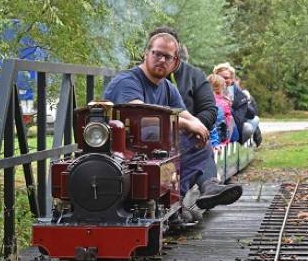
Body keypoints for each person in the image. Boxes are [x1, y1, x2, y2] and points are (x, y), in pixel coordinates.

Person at [103, 29, 242, 211]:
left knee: (197, 142)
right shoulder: (128, 81)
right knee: (185, 141)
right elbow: (140, 113)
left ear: (175, 62)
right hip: (125, 151)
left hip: (153, 148)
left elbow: (184, 113)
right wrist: (187, 125)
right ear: (146, 54)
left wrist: (199, 127)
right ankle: (177, 205)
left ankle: (203, 189)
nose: (161, 60)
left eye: (167, 57)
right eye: (157, 54)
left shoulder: (167, 86)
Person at [213, 63, 259, 144]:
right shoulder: (207, 90)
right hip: (213, 126)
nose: (222, 81)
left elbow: (238, 121)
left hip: (232, 129)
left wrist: (228, 107)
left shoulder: (240, 96)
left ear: (232, 79)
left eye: (226, 78)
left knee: (249, 126)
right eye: (219, 77)